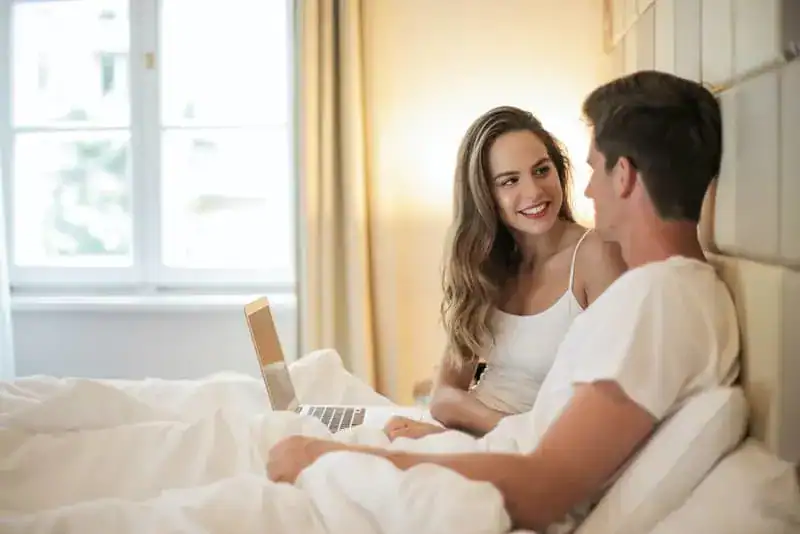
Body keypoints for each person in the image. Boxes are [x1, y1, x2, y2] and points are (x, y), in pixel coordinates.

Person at [266, 70, 741, 533]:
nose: (588, 189)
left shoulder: (660, 302)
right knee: (250, 424)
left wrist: (334, 458)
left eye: (594, 168)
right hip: (477, 456)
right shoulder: (658, 293)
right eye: (509, 181)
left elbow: (545, 488)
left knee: (254, 461)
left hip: (482, 483)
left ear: (624, 176)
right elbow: (535, 440)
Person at [383, 106, 626, 441]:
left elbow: (609, 406)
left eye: (542, 170)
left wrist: (486, 432)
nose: (534, 192)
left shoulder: (595, 256)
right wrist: (458, 433)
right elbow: (444, 396)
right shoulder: (490, 265)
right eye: (510, 181)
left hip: (523, 450)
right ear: (486, 195)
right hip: (474, 438)